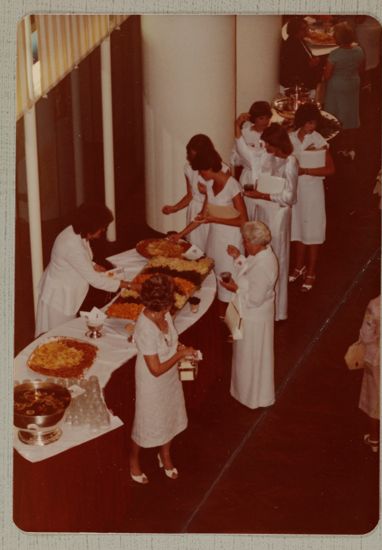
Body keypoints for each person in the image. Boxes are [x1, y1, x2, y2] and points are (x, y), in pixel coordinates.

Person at [130, 273, 197, 483]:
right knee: (146, 422)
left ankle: (165, 454)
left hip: (169, 377)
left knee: (169, 415)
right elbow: (156, 369)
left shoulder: (164, 314)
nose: (170, 307)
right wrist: (179, 355)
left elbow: (171, 340)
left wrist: (181, 348)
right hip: (152, 382)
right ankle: (133, 460)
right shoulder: (145, 328)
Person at [35, 202, 134, 336]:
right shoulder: (72, 245)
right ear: (90, 227)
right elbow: (95, 280)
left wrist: (93, 265)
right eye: (102, 228)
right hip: (59, 299)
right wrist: (128, 285)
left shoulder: (76, 231)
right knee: (58, 337)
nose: (104, 231)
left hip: (66, 292)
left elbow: (77, 259)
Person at [170, 148, 248, 315]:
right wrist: (180, 235)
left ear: (209, 168)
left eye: (201, 172)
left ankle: (232, 319)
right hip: (214, 237)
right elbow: (202, 216)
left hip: (231, 238)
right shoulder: (210, 185)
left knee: (229, 279)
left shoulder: (232, 185)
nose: (200, 175)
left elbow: (243, 221)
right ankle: (220, 315)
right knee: (215, 275)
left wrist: (214, 219)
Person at [242, 123, 298, 321]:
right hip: (264, 209)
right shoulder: (269, 156)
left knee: (278, 257)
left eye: (269, 145)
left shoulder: (291, 162)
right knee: (262, 253)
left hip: (279, 214)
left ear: (277, 143)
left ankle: (278, 310)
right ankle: (259, 296)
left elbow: (289, 197)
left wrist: (263, 195)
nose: (266, 148)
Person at [220, 221, 278, 409]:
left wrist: (234, 288)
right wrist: (238, 257)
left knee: (251, 358)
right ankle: (244, 393)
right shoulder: (261, 255)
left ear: (256, 243)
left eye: (246, 242)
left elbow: (254, 299)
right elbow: (248, 273)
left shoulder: (264, 265)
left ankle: (252, 397)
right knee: (246, 358)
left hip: (254, 318)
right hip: (251, 315)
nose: (244, 244)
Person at [289, 103, 335, 292]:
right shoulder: (290, 138)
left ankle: (312, 272)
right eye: (308, 123)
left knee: (313, 231)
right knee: (298, 229)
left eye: (314, 123)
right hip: (295, 189)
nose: (312, 127)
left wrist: (306, 170)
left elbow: (331, 169)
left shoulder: (320, 140)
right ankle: (299, 266)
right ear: (301, 122)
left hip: (313, 190)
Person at [162, 134, 229, 252]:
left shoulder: (222, 170)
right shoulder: (188, 168)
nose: (192, 159)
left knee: (211, 249)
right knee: (193, 249)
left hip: (212, 213)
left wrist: (208, 192)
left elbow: (225, 200)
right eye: (190, 155)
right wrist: (174, 208)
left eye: (195, 156)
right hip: (195, 212)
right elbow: (190, 195)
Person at [323, 21, 365, 159]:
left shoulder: (334, 54)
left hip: (337, 85)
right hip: (353, 83)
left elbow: (327, 75)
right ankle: (351, 148)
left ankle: (337, 147)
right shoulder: (359, 50)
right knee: (351, 115)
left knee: (335, 115)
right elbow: (360, 69)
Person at [231, 102, 273, 220]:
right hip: (249, 176)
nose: (265, 121)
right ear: (254, 118)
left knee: (266, 212)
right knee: (249, 210)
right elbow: (235, 157)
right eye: (261, 118)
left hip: (267, 176)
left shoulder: (272, 132)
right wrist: (248, 158)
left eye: (267, 118)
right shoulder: (245, 133)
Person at [358, 295, 381, 453]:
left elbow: (366, 334)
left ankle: (374, 440)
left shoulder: (375, 304)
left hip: (377, 359)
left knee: (375, 400)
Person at [279, 16, 323, 96]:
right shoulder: (291, 45)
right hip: (296, 85)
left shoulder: (299, 40)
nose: (307, 31)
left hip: (303, 82)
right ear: (296, 30)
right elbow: (293, 66)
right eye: (304, 29)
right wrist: (311, 64)